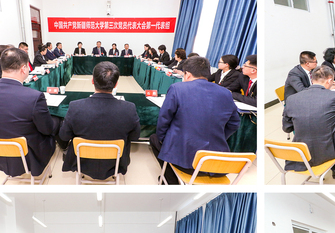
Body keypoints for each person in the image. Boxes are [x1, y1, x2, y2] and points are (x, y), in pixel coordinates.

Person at [149, 56, 240, 185]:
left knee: (155, 139)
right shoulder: (226, 93)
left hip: (186, 162)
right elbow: (234, 123)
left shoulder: (177, 88)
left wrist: (165, 140)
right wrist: (219, 137)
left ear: (187, 74)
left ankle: (171, 180)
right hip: (217, 163)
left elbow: (164, 120)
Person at [0, 47, 60, 179]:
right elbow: (47, 129)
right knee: (56, 121)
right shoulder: (34, 97)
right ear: (24, 68)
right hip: (27, 156)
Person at [59, 61, 141, 180]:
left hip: (82, 161)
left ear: (92, 81)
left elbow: (64, 136)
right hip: (115, 162)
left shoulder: (75, 107)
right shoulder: (129, 108)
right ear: (116, 84)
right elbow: (135, 136)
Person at [282, 64, 335, 179]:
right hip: (329, 149)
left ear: (312, 79)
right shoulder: (334, 96)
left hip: (303, 152)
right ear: (329, 80)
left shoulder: (291, 99)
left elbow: (287, 128)